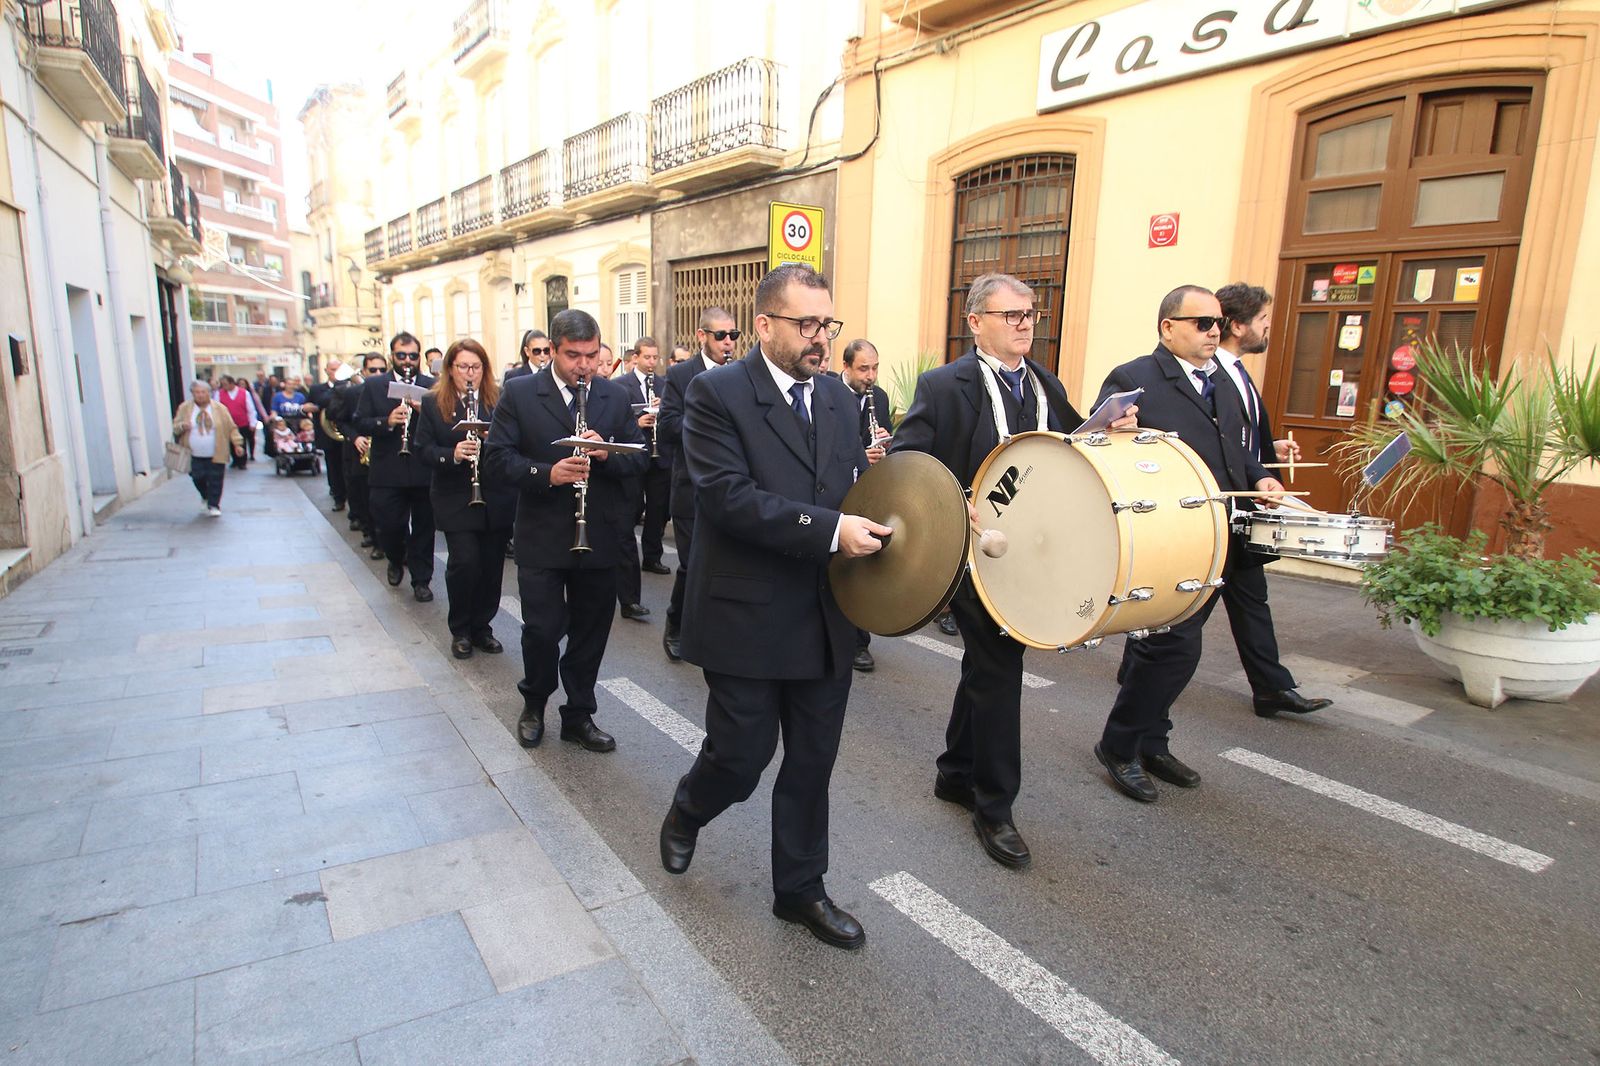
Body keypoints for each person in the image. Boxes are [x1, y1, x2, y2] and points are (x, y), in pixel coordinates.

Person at [657, 264, 889, 950]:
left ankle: (800, 890)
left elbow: (854, 495)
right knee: (742, 755)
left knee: (813, 761)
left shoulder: (843, 402)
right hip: (746, 614)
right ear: (764, 325)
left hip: (825, 614)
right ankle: (689, 808)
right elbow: (726, 499)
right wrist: (831, 532)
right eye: (807, 324)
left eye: (828, 324)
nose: (821, 338)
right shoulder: (716, 392)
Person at [892, 272, 1137, 870]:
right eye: (1012, 315)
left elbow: (1074, 441)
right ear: (976, 322)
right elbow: (905, 458)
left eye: (1030, 314)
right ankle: (995, 808)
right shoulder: (944, 385)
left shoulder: (1042, 382)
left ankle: (955, 773)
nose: (1026, 323)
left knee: (987, 667)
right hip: (976, 555)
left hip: (1029, 554)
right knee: (1000, 673)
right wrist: (953, 498)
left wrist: (1111, 430)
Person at [1091, 285, 1285, 804]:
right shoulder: (1136, 377)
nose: (1214, 331)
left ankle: (1152, 741)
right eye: (1201, 323)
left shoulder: (1222, 379)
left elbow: (1234, 450)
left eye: (1218, 322)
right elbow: (1094, 441)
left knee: (1167, 647)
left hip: (1220, 531)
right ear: (1167, 327)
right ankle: (1119, 743)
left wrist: (1262, 477)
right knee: (1174, 645)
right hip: (1166, 536)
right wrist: (1118, 431)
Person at [484, 309, 647, 754]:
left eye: (592, 356)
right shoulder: (519, 393)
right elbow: (496, 459)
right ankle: (534, 702)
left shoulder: (613, 396)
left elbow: (640, 458)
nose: (584, 366)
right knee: (541, 628)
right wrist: (547, 473)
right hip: (542, 534)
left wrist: (606, 454)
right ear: (552, 351)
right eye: (573, 356)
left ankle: (578, 714)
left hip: (599, 534)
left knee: (591, 632)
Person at [1213, 283, 1333, 720]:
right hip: (1216, 511)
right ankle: (1139, 672)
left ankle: (1271, 687)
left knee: (1251, 600)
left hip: (1247, 507)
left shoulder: (1238, 373)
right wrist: (1255, 470)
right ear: (1238, 325)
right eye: (1263, 320)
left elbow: (1237, 442)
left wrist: (1269, 455)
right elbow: (1215, 444)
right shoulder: (1211, 376)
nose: (1269, 329)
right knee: (1187, 608)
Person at [415, 339, 515, 660]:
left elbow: (515, 443)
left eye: (476, 367)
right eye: (463, 367)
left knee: (490, 566)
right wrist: (453, 454)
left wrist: (493, 438)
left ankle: (482, 627)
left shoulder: (497, 400)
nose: (469, 374)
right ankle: (460, 629)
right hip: (454, 494)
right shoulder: (433, 403)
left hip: (494, 495)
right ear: (450, 369)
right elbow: (423, 450)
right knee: (464, 562)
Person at [658, 307, 740, 661]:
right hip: (691, 486)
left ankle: (712, 630)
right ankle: (676, 623)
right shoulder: (681, 375)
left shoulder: (741, 375)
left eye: (733, 336)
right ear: (701, 336)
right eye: (720, 336)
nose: (728, 343)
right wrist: (706, 419)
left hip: (731, 486)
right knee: (693, 564)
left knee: (724, 566)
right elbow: (668, 426)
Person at [355, 332, 438, 602]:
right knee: (389, 524)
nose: (407, 361)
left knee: (425, 528)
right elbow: (360, 422)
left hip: (423, 468)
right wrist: (387, 421)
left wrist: (426, 412)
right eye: (401, 355)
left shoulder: (432, 385)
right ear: (392, 355)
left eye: (413, 356)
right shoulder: (375, 385)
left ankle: (421, 579)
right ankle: (395, 556)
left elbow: (446, 421)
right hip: (388, 469)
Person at [839, 338, 893, 672]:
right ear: (846, 367)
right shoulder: (827, 391)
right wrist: (861, 453)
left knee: (863, 561)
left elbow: (885, 442)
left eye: (874, 368)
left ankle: (860, 641)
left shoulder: (880, 397)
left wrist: (884, 444)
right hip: (837, 492)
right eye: (863, 369)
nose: (870, 376)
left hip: (868, 490)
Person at [617, 337, 672, 579]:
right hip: (635, 452)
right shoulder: (621, 385)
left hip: (658, 455)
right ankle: (625, 556)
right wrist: (638, 422)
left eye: (655, 357)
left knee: (657, 508)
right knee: (633, 505)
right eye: (647, 357)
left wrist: (662, 412)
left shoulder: (664, 384)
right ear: (636, 357)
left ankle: (652, 556)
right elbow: (616, 420)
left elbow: (673, 416)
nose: (652, 362)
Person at [335, 356, 384, 553]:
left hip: (386, 455)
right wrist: (355, 438)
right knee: (365, 498)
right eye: (373, 370)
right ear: (363, 371)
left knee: (387, 505)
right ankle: (372, 537)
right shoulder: (352, 393)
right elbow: (342, 421)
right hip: (361, 453)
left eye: (382, 370)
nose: (378, 374)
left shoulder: (394, 391)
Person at [173, 380, 243, 517]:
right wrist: (182, 426)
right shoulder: (185, 408)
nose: (200, 395)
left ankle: (214, 504)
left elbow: (231, 427)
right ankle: (205, 495)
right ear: (192, 394)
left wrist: (237, 444)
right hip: (193, 453)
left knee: (215, 478)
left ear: (209, 393)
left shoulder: (220, 409)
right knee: (197, 477)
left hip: (216, 451)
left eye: (203, 392)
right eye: (197, 392)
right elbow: (175, 427)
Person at [308, 359, 348, 511]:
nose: (336, 372)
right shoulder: (318, 389)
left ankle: (349, 496)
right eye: (332, 369)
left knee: (348, 468)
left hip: (347, 435)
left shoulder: (349, 386)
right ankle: (338, 497)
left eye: (339, 369)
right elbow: (318, 402)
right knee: (333, 467)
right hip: (328, 435)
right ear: (326, 371)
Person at [214, 376, 258, 470]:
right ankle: (235, 460)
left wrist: (252, 423)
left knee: (242, 442)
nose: (223, 386)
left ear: (231, 383)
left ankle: (242, 461)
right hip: (227, 424)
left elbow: (250, 409)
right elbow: (216, 409)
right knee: (230, 442)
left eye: (225, 384)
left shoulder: (244, 393)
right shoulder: (219, 394)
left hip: (242, 422)